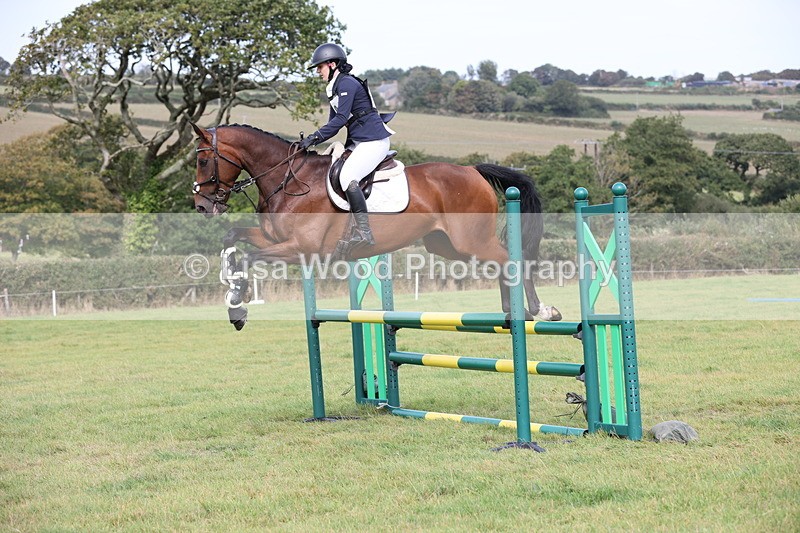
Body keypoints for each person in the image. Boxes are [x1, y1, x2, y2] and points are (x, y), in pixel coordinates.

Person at [298, 43, 395, 250]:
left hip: (374, 141)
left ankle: (364, 232)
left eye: (320, 66)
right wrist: (311, 140)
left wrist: (313, 138)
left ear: (332, 64)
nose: (317, 71)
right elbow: (333, 124)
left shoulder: (348, 84)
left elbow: (341, 119)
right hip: (360, 141)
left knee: (347, 177)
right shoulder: (334, 87)